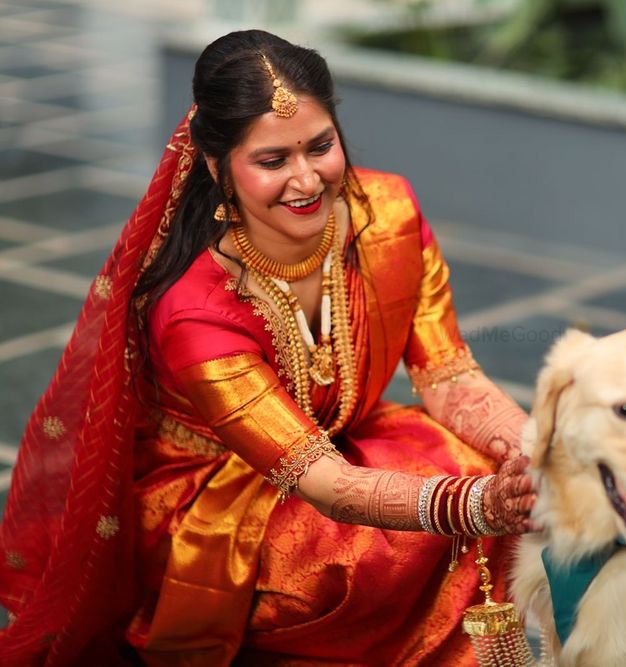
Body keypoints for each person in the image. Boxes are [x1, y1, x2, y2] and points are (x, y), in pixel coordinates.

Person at [0, 29, 537, 665]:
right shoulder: (195, 309)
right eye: (273, 160)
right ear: (215, 165)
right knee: (372, 550)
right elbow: (324, 483)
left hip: (336, 436)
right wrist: (474, 505)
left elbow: (448, 375)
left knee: (479, 463)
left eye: (320, 146)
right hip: (221, 494)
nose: (306, 179)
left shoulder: (388, 213)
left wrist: (537, 454)